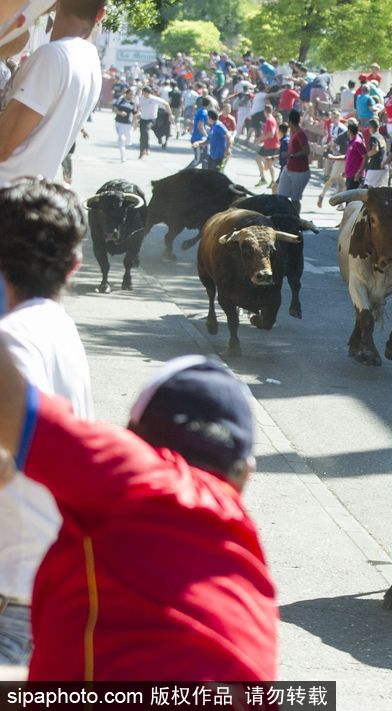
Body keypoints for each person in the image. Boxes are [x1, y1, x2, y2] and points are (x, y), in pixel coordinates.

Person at [0, 345, 278, 680]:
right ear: (245, 473)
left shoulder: (135, 473)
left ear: (131, 435)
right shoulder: (252, 576)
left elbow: (10, 402)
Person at [0, 178, 93, 668]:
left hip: (11, 595)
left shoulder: (11, 340)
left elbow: (16, 456)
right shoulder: (57, 325)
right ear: (74, 265)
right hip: (43, 583)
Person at [0, 0, 104, 186]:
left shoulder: (53, 55)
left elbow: (3, 146)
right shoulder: (91, 60)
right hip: (29, 193)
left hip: (7, 188)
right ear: (100, 14)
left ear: (56, 5)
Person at [276, 109, 310, 211]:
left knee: (295, 199)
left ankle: (296, 219)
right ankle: (283, 216)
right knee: (281, 196)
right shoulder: (293, 133)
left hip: (299, 171)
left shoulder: (300, 134)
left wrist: (291, 155)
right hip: (289, 168)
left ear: (290, 121)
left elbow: (306, 150)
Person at [136, 86, 171, 159]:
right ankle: (142, 151)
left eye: (144, 93)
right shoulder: (142, 98)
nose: (143, 94)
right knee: (142, 136)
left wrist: (170, 114)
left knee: (145, 131)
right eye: (143, 93)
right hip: (143, 119)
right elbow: (139, 106)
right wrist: (138, 112)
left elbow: (166, 104)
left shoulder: (154, 99)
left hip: (151, 119)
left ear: (148, 92)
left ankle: (147, 148)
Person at [254, 104, 279, 187]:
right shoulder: (272, 119)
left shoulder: (269, 120)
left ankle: (267, 179)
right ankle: (267, 179)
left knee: (264, 161)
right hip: (269, 144)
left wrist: (259, 139)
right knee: (264, 161)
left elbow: (271, 134)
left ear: (265, 111)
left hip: (270, 145)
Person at [112, 87, 136, 163]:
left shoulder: (133, 103)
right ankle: (123, 157)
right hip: (119, 123)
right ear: (126, 94)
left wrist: (134, 124)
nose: (131, 96)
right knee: (122, 140)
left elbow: (135, 114)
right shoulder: (120, 100)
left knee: (128, 141)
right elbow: (114, 109)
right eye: (130, 94)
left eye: (132, 95)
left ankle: (121, 140)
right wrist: (120, 113)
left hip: (128, 124)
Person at [363, 118, 388, 188]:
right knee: (380, 191)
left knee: (368, 189)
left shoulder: (373, 137)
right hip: (383, 168)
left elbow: (375, 150)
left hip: (375, 167)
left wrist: (367, 155)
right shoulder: (381, 137)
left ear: (370, 128)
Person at [343, 120, 367, 190]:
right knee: (349, 199)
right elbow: (349, 157)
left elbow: (365, 156)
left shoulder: (357, 142)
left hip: (355, 176)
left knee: (351, 199)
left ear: (349, 131)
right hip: (349, 174)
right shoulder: (351, 142)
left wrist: (359, 172)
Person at [187, 96, 210, 169]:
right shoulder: (203, 112)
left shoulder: (200, 110)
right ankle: (184, 173)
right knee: (198, 159)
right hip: (199, 138)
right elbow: (200, 125)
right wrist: (206, 135)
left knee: (205, 158)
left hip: (201, 138)